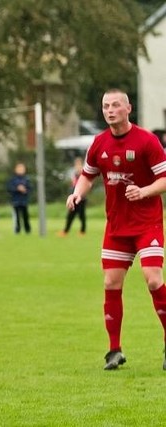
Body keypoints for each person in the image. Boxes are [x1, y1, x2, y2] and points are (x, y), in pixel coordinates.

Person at [66, 89, 166, 370]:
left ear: (128, 108)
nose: (110, 110)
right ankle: (114, 350)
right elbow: (88, 175)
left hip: (147, 224)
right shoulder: (99, 143)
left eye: (115, 105)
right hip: (117, 227)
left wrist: (144, 191)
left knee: (153, 280)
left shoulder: (147, 141)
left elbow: (164, 178)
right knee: (111, 283)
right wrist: (77, 194)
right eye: (106, 106)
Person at [59, 157, 86, 236]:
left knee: (81, 215)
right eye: (76, 165)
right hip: (74, 198)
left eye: (79, 165)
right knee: (70, 215)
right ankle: (65, 231)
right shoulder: (74, 175)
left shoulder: (83, 175)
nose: (78, 167)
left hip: (81, 199)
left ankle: (82, 231)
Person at [6, 162, 32, 234]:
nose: (21, 170)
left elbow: (30, 189)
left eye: (22, 168)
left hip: (24, 201)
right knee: (17, 217)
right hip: (15, 201)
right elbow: (9, 189)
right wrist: (17, 189)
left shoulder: (26, 179)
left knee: (25, 216)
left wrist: (25, 190)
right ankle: (17, 230)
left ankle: (27, 230)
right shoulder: (13, 179)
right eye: (19, 168)